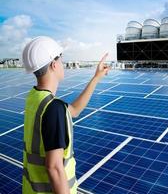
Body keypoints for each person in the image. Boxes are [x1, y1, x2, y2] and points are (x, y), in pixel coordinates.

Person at [22, 36, 109, 194]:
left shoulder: (34, 97)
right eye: (61, 59)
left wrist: (96, 78)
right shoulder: (53, 108)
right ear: (54, 65)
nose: (63, 64)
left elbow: (74, 110)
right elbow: (54, 168)